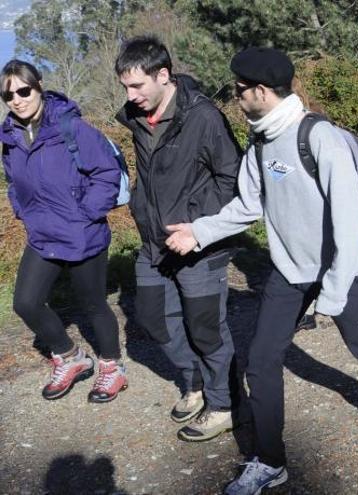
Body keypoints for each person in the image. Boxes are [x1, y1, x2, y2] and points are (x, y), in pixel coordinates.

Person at [164, 47, 358, 495]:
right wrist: (199, 232)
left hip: (341, 266)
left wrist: (336, 288)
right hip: (289, 269)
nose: (235, 98)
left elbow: (350, 219)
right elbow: (248, 205)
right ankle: (268, 460)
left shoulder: (317, 136)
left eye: (239, 91)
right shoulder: (261, 139)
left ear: (261, 91)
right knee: (261, 361)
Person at [115, 35, 240, 442]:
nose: (131, 96)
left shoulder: (202, 117)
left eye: (137, 86)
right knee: (152, 318)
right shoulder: (138, 117)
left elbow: (232, 178)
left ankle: (223, 404)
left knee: (207, 330)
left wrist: (193, 223)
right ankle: (196, 382)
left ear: (163, 75)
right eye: (125, 88)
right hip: (154, 244)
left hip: (199, 245)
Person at [1, 60, 126, 402]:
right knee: (26, 303)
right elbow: (14, 181)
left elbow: (105, 173)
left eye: (23, 90)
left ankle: (112, 367)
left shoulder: (70, 127)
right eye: (8, 94)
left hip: (83, 233)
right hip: (42, 235)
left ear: (39, 85)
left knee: (92, 305)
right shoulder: (9, 136)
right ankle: (70, 357)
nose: (17, 99)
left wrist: (87, 212)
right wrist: (21, 211)